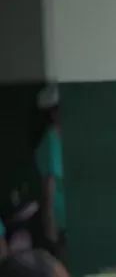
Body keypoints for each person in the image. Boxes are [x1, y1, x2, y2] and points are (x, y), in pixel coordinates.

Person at [34, 84, 66, 261]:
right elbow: (49, 189)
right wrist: (51, 227)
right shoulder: (51, 142)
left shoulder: (63, 137)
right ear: (53, 113)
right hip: (60, 225)